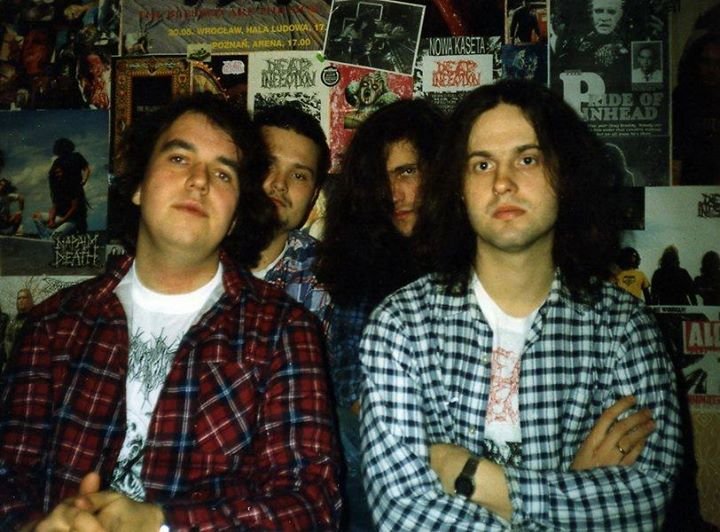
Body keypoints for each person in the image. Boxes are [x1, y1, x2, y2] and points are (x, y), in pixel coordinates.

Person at [0, 94, 341, 530]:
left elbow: (310, 504)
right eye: (179, 158)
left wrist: (160, 524)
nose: (199, 181)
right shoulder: (53, 324)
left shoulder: (284, 331)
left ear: (237, 214)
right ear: (138, 185)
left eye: (223, 173)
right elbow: (8, 476)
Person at [359, 80, 682, 530]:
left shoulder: (624, 329)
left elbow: (645, 500)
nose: (502, 182)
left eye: (527, 159)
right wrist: (572, 490)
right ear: (458, 188)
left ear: (564, 176)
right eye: (482, 164)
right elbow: (403, 512)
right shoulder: (400, 326)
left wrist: (475, 478)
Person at [315, 98, 446, 531]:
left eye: (407, 172)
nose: (393, 194)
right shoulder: (363, 263)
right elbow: (355, 391)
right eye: (382, 178)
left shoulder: (478, 257)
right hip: (388, 454)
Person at [251, 105, 332, 333]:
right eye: (268, 165)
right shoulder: (198, 246)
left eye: (298, 175)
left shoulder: (325, 275)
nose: (279, 184)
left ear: (314, 196)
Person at [673, 32, 720, 185]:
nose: (712, 70)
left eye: (718, 63)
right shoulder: (681, 98)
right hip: (690, 186)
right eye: (706, 62)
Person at [32, 137, 90, 239]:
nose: (57, 175)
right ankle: (48, 238)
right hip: (61, 217)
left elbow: (86, 169)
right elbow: (54, 206)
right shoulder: (57, 187)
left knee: (53, 237)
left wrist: (84, 180)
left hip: (71, 220)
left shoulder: (76, 157)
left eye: (59, 172)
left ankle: (49, 238)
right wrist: (51, 221)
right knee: (37, 216)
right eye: (56, 173)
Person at [3, 287, 33, 360]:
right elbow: (8, 341)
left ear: (30, 300)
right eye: (19, 298)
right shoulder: (12, 322)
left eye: (24, 298)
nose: (21, 300)